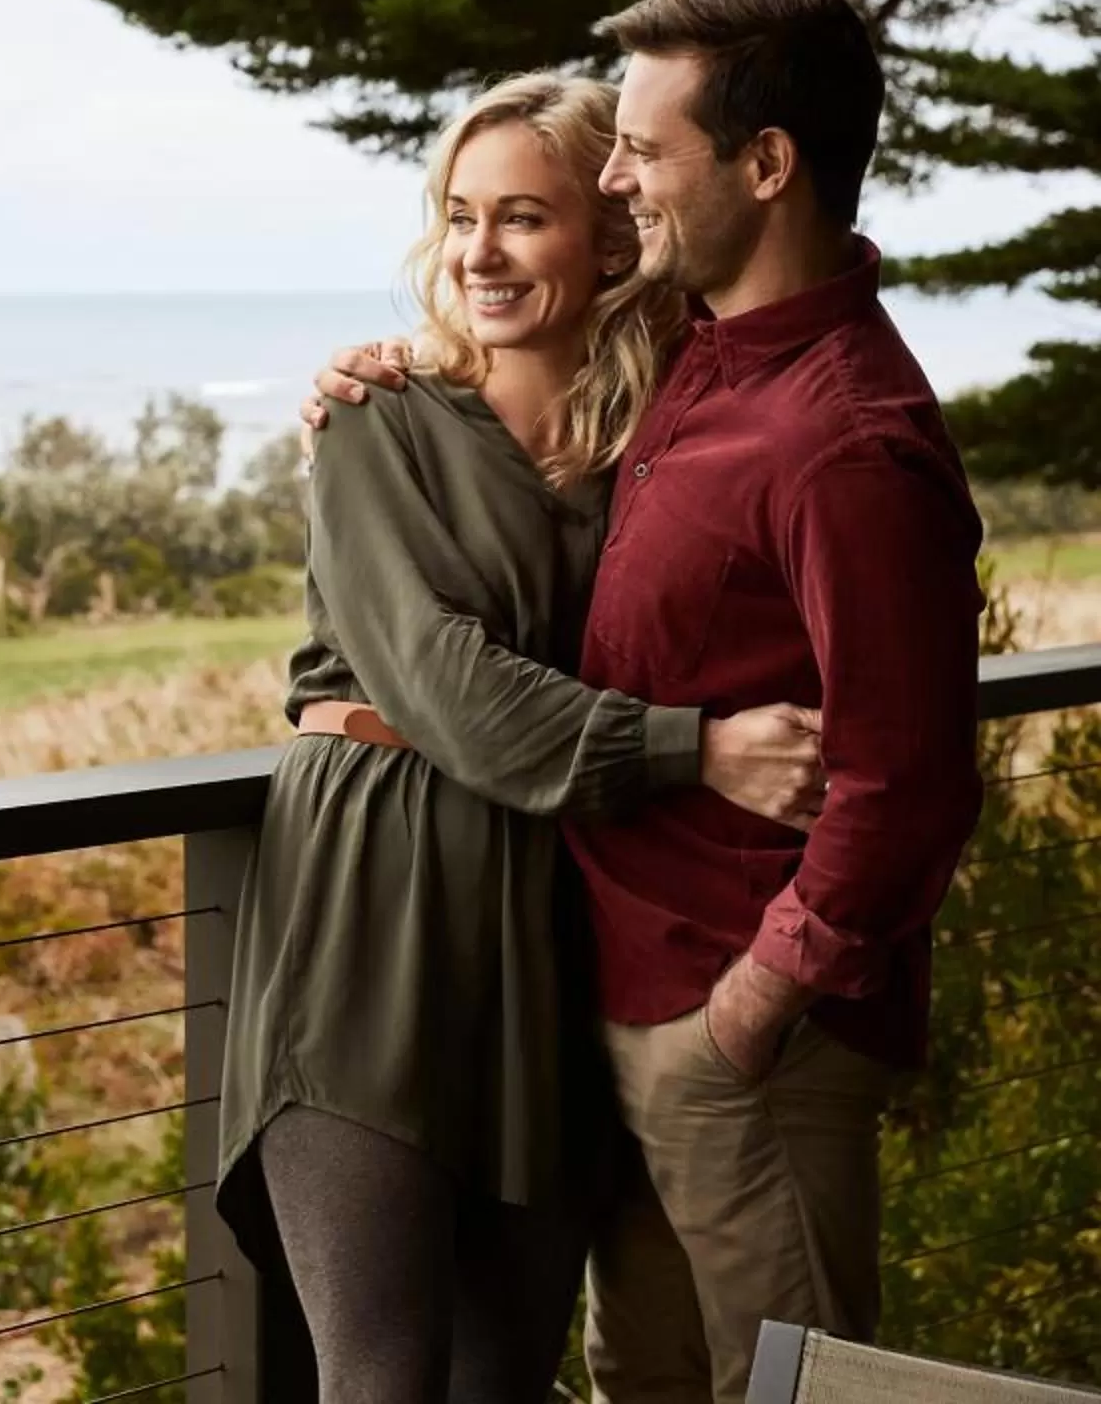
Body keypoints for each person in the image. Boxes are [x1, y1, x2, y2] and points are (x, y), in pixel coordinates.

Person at [303, 0, 986, 1404]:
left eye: (643, 153)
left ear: (767, 163)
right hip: (613, 1003)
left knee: (791, 1389)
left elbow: (906, 779)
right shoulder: (696, 368)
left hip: (740, 1027)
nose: (619, 181)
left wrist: (751, 1008)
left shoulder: (841, 437)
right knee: (645, 1382)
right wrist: (386, 372)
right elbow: (523, 403)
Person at [219, 70, 827, 1404]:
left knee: (508, 1375)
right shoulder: (382, 423)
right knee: (381, 1375)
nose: (477, 254)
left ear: (611, 233)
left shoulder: (664, 436)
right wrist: (700, 750)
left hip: (557, 922)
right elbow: (441, 682)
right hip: (372, 905)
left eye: (522, 219)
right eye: (457, 216)